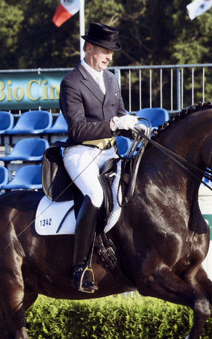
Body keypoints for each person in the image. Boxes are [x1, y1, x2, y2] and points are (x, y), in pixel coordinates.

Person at [60, 22, 148, 293]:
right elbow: (77, 128)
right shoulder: (71, 82)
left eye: (111, 52)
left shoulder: (111, 79)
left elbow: (121, 114)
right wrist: (113, 125)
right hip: (81, 153)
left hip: (110, 153)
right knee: (96, 197)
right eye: (103, 50)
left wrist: (136, 129)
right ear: (88, 48)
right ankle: (80, 267)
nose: (108, 56)